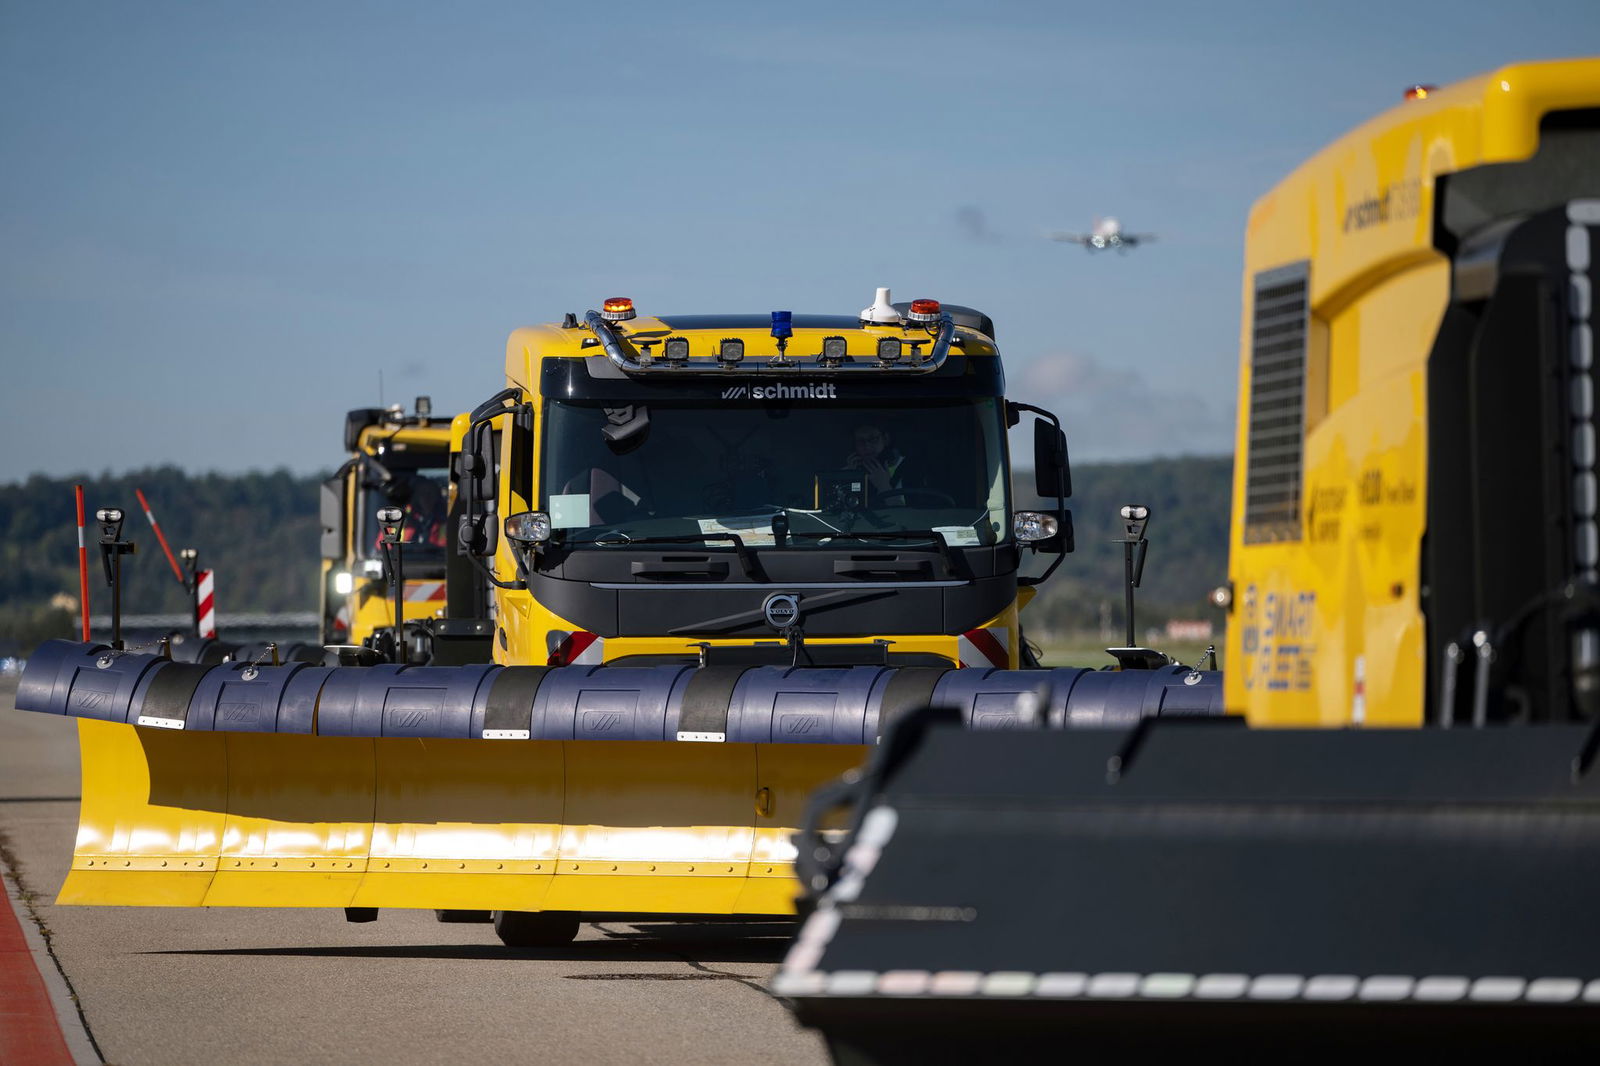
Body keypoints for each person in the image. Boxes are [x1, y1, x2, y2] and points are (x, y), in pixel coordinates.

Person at [843, 424, 916, 503]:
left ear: (886, 439)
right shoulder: (848, 471)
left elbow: (907, 514)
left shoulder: (909, 468)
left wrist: (884, 487)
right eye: (860, 441)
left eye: (873, 439)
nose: (867, 446)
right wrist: (851, 480)